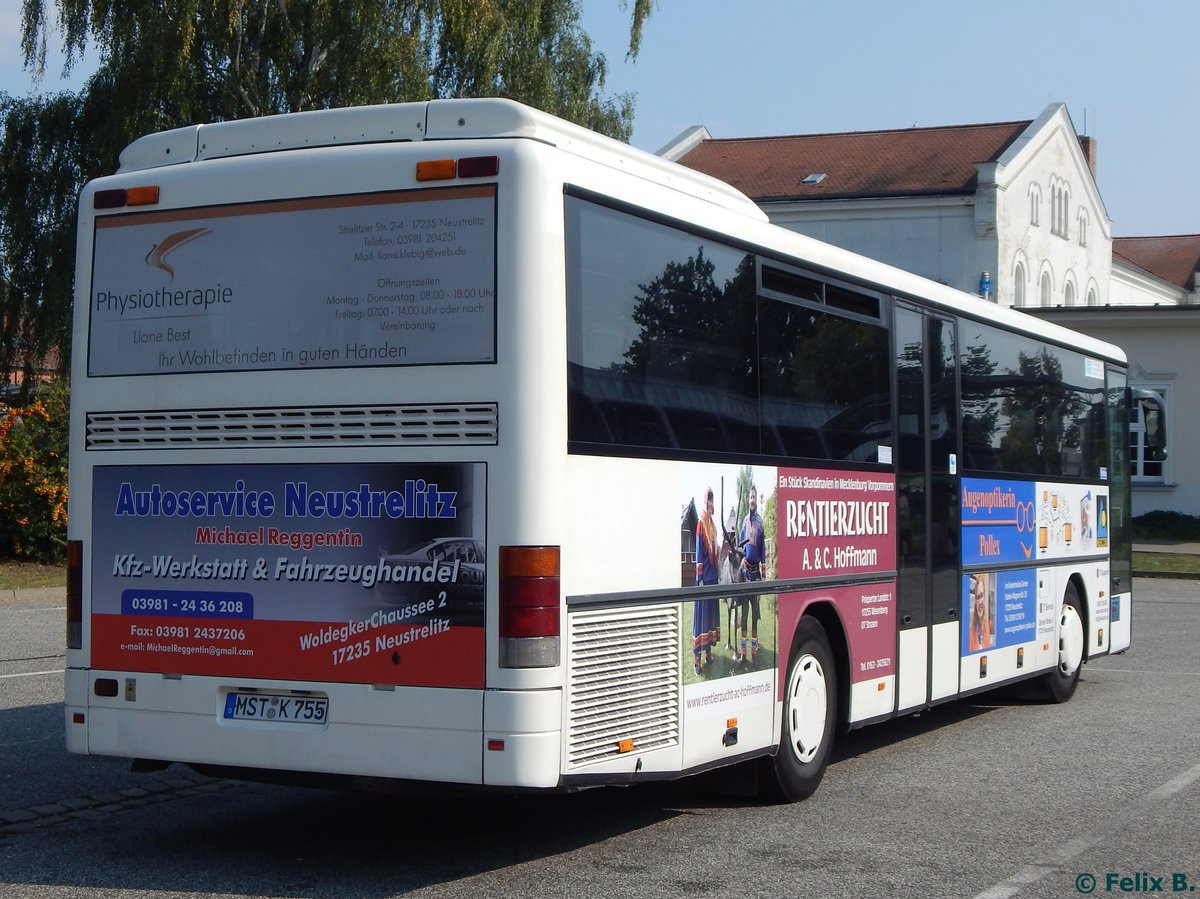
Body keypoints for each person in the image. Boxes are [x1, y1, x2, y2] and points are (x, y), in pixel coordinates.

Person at [692, 488, 721, 675]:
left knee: (711, 618)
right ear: (705, 503)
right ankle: (697, 660)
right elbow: (698, 553)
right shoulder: (701, 524)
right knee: (701, 619)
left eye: (712, 499)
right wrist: (700, 578)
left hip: (714, 579)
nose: (711, 503)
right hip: (704, 581)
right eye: (709, 500)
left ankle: (708, 653)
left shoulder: (714, 526)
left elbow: (715, 551)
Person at [735, 484, 764, 665]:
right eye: (750, 497)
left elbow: (762, 548)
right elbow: (740, 546)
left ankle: (754, 651)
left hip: (756, 575)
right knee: (744, 614)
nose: (752, 500)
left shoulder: (761, 522)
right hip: (745, 573)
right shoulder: (744, 520)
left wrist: (764, 573)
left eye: (754, 497)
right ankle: (743, 652)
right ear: (747, 499)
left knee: (755, 615)